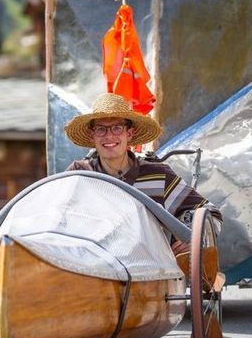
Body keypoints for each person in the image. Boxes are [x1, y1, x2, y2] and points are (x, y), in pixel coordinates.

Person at [64, 93, 223, 255]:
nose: (109, 136)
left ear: (129, 134)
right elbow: (53, 216)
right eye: (101, 129)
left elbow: (210, 213)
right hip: (90, 267)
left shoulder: (158, 175)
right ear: (92, 136)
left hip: (149, 273)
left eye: (117, 128)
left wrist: (193, 238)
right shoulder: (79, 174)